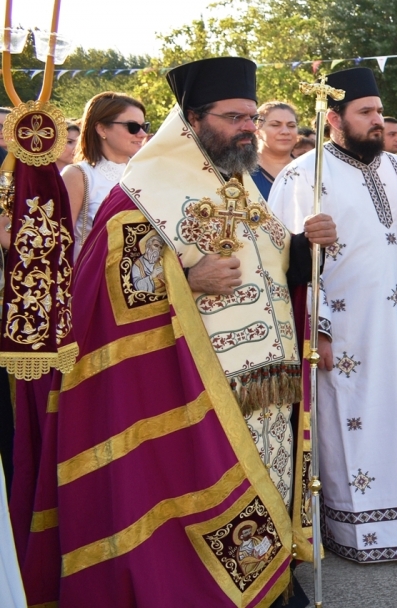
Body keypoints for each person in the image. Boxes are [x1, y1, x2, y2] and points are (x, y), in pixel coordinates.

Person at [15, 56, 335, 607]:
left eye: (250, 117)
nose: (247, 128)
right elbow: (102, 298)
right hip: (196, 388)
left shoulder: (238, 185)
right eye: (234, 117)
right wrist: (188, 279)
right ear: (192, 117)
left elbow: (274, 266)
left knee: (272, 485)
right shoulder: (142, 194)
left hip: (270, 383)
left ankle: (272, 584)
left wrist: (308, 245)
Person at [268, 66, 397, 563]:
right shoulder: (304, 175)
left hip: (396, 322)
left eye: (379, 112)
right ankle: (354, 531)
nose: (377, 121)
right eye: (366, 113)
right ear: (335, 119)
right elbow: (282, 262)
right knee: (350, 423)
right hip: (341, 327)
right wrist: (314, 330)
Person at [60, 92, 147, 260]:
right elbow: (60, 241)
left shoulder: (147, 173)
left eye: (145, 126)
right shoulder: (78, 175)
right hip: (91, 277)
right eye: (133, 127)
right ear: (101, 128)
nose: (142, 134)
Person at [251, 100, 300, 200]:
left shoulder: (307, 169)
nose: (285, 132)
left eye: (291, 126)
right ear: (257, 130)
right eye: (275, 125)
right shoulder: (243, 172)